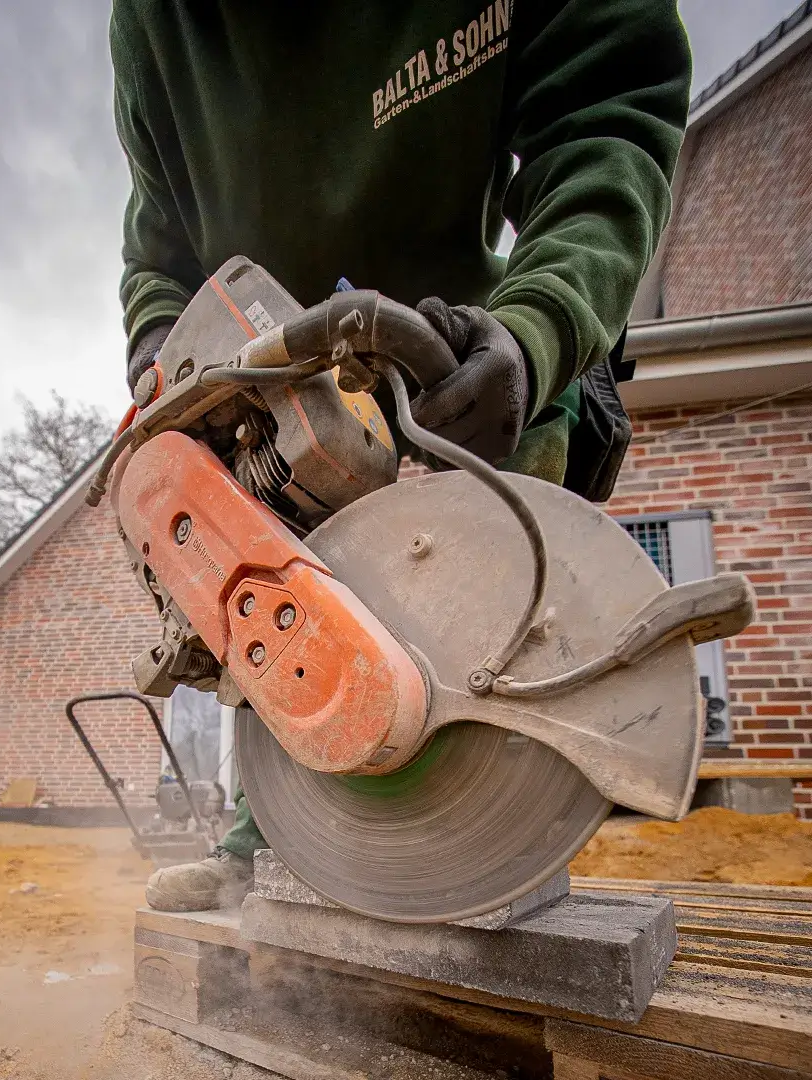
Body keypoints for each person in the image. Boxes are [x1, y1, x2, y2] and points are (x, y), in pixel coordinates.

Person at [110, 0, 692, 911]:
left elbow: (608, 119)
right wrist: (163, 361)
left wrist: (539, 326)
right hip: (266, 367)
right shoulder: (152, 20)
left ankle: (493, 831)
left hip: (457, 335)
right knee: (283, 600)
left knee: (502, 522)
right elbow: (157, 251)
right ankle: (265, 843)